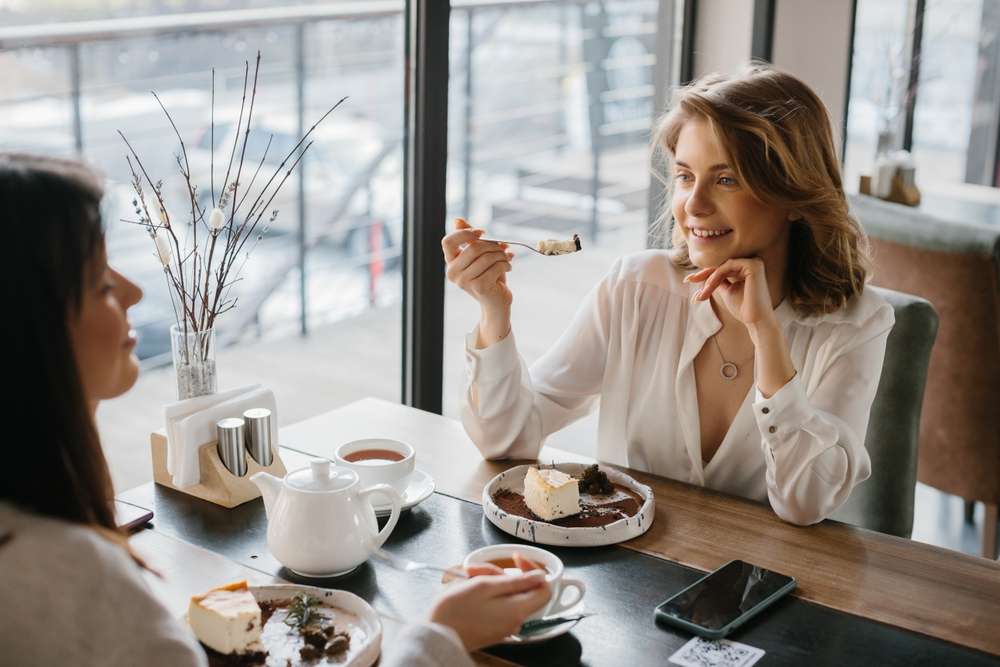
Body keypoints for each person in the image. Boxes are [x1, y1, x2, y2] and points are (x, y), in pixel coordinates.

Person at [0, 153, 549, 666]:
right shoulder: (72, 577)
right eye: (100, 282)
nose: (136, 292)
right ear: (28, 329)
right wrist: (441, 636)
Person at [443, 64, 894, 526]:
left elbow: (806, 502)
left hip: (759, 587)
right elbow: (508, 438)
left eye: (726, 179)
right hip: (622, 574)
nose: (693, 204)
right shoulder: (635, 288)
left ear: (794, 194)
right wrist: (493, 312)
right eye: (684, 176)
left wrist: (766, 334)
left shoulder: (857, 325)